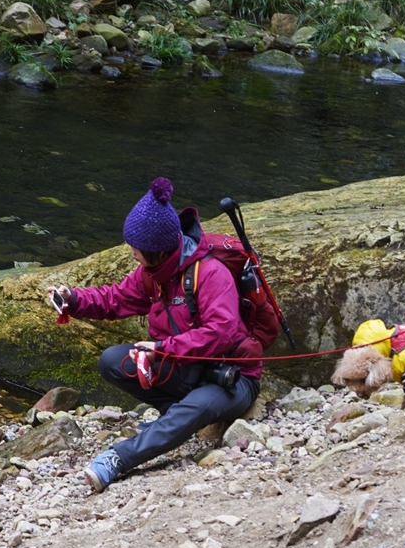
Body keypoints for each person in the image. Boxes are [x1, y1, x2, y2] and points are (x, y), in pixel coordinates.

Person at [47, 177, 261, 493]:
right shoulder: (154, 273)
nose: (131, 251)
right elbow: (115, 299)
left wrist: (162, 348)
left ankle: (117, 460)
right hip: (184, 368)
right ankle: (173, 420)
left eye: (136, 248)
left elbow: (222, 333)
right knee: (112, 361)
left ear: (157, 250)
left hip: (231, 376)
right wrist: (73, 299)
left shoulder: (211, 274)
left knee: (194, 408)